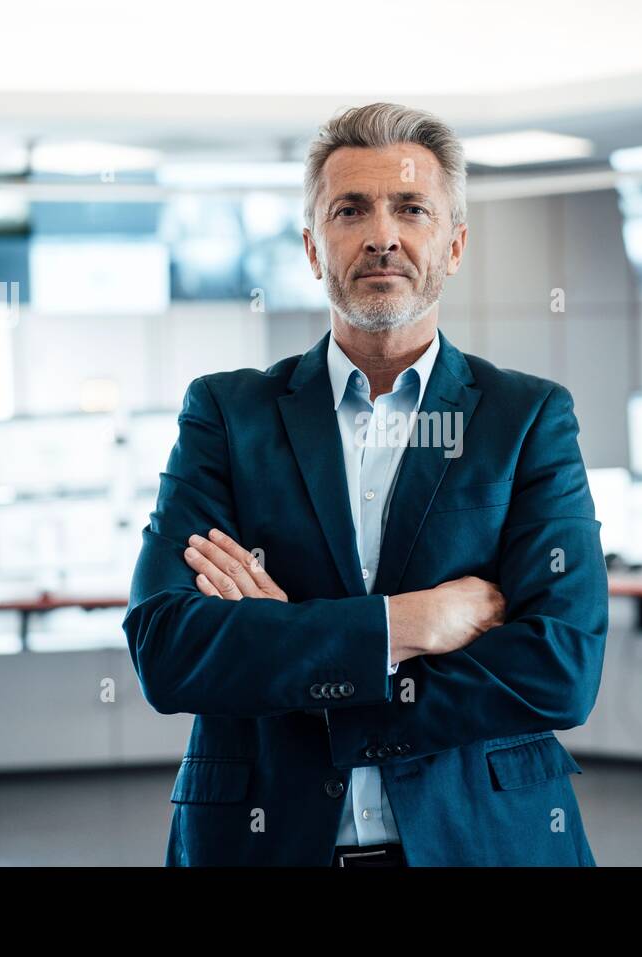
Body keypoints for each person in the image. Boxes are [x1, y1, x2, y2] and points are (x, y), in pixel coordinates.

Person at [123, 101, 608, 866]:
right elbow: (167, 645)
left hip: (484, 841)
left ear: (454, 245)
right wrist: (408, 623)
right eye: (351, 209)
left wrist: (303, 654)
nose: (382, 234)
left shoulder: (527, 418)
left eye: (411, 207)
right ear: (315, 248)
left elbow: (561, 667)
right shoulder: (226, 414)